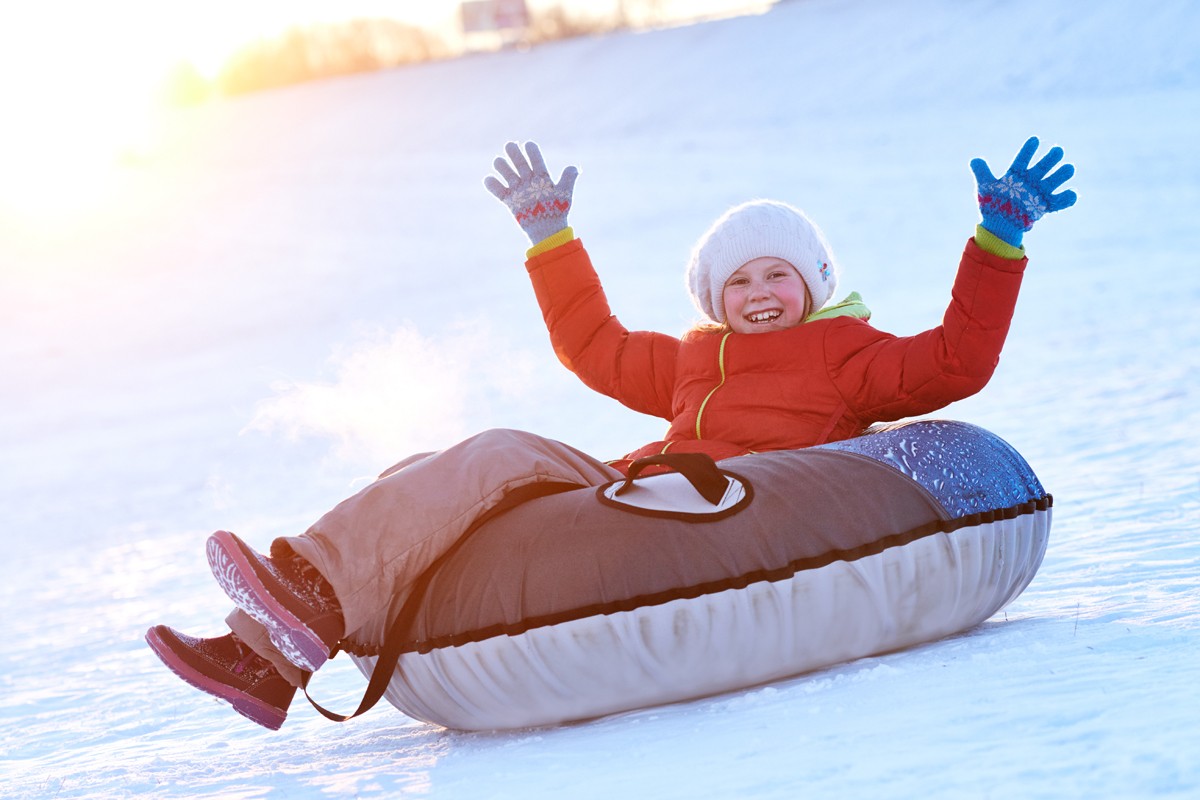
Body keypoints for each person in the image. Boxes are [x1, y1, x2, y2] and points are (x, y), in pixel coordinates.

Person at [146, 137, 1077, 730]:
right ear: (714, 298)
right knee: (435, 469)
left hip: (722, 507)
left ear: (814, 285)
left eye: (777, 275)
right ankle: (267, 650)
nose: (759, 293)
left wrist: (997, 245)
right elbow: (595, 347)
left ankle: (300, 594)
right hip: (629, 484)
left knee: (498, 450)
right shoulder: (694, 358)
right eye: (738, 281)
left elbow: (954, 363)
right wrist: (551, 239)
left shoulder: (847, 353)